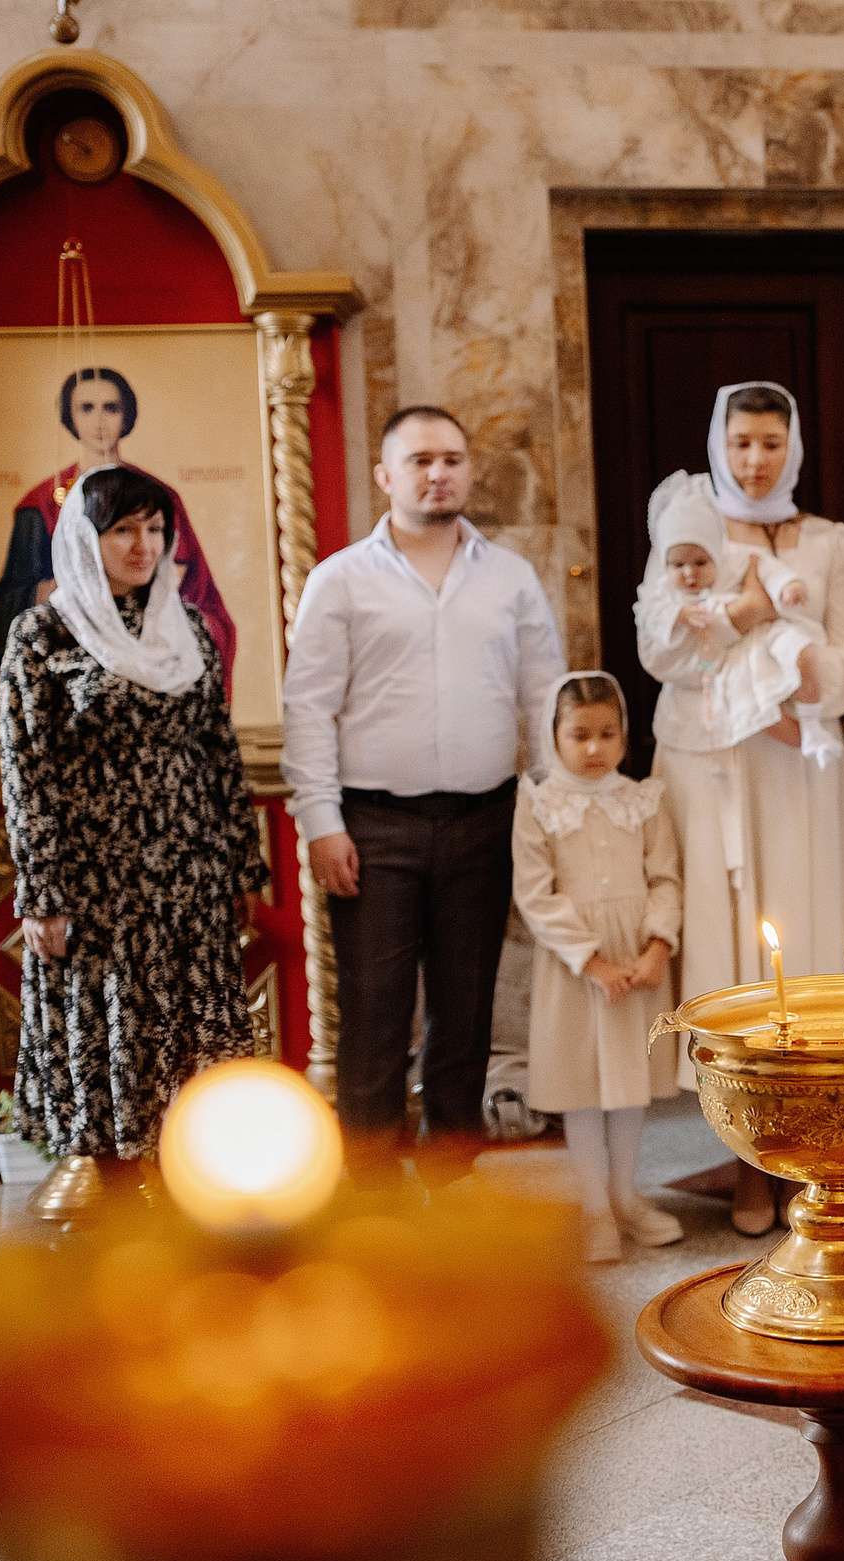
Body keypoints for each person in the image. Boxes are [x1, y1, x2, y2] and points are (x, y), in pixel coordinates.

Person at [281, 405, 567, 1168]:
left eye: (451, 459)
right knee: (375, 1014)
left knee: (464, 1011)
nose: (438, 473)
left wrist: (556, 805)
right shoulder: (339, 580)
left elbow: (545, 695)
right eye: (419, 461)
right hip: (373, 826)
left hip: (485, 818)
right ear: (386, 475)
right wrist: (321, 822)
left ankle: (452, 1179)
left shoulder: (509, 577)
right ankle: (369, 1190)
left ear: (469, 470)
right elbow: (306, 706)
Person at [635, 381, 844, 1236]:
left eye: (771, 442)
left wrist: (805, 688)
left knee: (803, 937)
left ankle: (811, 1149)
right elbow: (659, 649)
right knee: (733, 951)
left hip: (801, 757)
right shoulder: (687, 529)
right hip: (711, 765)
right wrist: (745, 611)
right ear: (719, 443)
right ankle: (744, 1153)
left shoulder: (832, 541)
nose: (754, 458)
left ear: (793, 445)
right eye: (740, 442)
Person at [0, 466, 264, 1169]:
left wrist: (240, 862)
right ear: (86, 540)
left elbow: (217, 750)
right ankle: (121, 1224)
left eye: (155, 528)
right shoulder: (41, 635)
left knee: (201, 1069)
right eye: (123, 529)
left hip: (189, 879)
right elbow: (28, 773)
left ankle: (201, 1216)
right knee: (112, 1065)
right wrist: (42, 893)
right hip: (98, 887)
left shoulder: (190, 629)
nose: (143, 545)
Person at [513, 671, 685, 1264]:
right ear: (554, 736)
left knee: (629, 1085)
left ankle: (625, 1195)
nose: (594, 748)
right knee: (583, 1085)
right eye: (579, 734)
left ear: (624, 736)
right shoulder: (539, 803)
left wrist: (658, 945)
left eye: (607, 734)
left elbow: (665, 877)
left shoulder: (644, 800)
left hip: (636, 958)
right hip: (577, 966)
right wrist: (591, 960)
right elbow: (535, 893)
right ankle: (593, 1208)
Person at [0, 366, 238, 690]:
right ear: (70, 416)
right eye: (86, 408)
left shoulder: (160, 496)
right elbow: (7, 604)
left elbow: (200, 596)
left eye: (111, 408)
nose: (100, 421)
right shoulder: (41, 504)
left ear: (126, 415)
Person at [640, 476, 843, 770]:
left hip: (763, 639)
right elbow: (650, 617)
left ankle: (811, 725)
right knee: (758, 708)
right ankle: (806, 740)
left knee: (803, 653)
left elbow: (769, 570)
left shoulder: (735, 561)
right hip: (727, 668)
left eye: (700, 562)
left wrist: (788, 586)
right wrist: (680, 615)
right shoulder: (665, 590)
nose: (689, 573)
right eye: (678, 564)